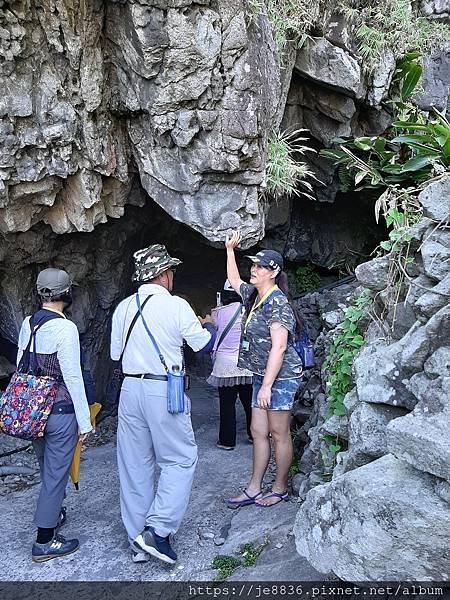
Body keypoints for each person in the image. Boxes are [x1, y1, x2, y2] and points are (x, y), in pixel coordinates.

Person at [110, 244, 216, 565]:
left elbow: (116, 355)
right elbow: (202, 345)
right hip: (163, 388)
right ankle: (158, 530)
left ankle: (137, 540)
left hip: (130, 389)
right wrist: (208, 325)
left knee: (134, 464)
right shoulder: (176, 305)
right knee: (180, 458)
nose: (172, 275)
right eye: (170, 270)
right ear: (163, 274)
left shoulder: (123, 308)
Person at [16, 268, 92, 562]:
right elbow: (72, 376)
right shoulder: (65, 328)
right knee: (55, 476)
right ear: (66, 293)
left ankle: (54, 514)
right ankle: (44, 541)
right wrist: (85, 422)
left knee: (47, 466)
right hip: (59, 413)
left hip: (33, 411)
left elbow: (23, 364)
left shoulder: (28, 323)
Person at [224, 231, 303, 508]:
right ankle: (254, 487)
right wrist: (230, 250)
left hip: (280, 376)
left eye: (259, 267)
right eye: (253, 266)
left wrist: (268, 386)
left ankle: (279, 487)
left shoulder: (277, 302)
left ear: (273, 272)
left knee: (278, 432)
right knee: (258, 431)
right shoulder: (254, 296)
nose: (253, 270)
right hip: (262, 374)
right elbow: (235, 281)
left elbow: (279, 347)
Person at [207, 280, 253, 450]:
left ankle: (227, 441)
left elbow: (213, 330)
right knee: (250, 403)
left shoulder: (218, 312)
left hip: (225, 365)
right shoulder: (250, 311)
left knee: (227, 404)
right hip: (246, 363)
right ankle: (254, 435)